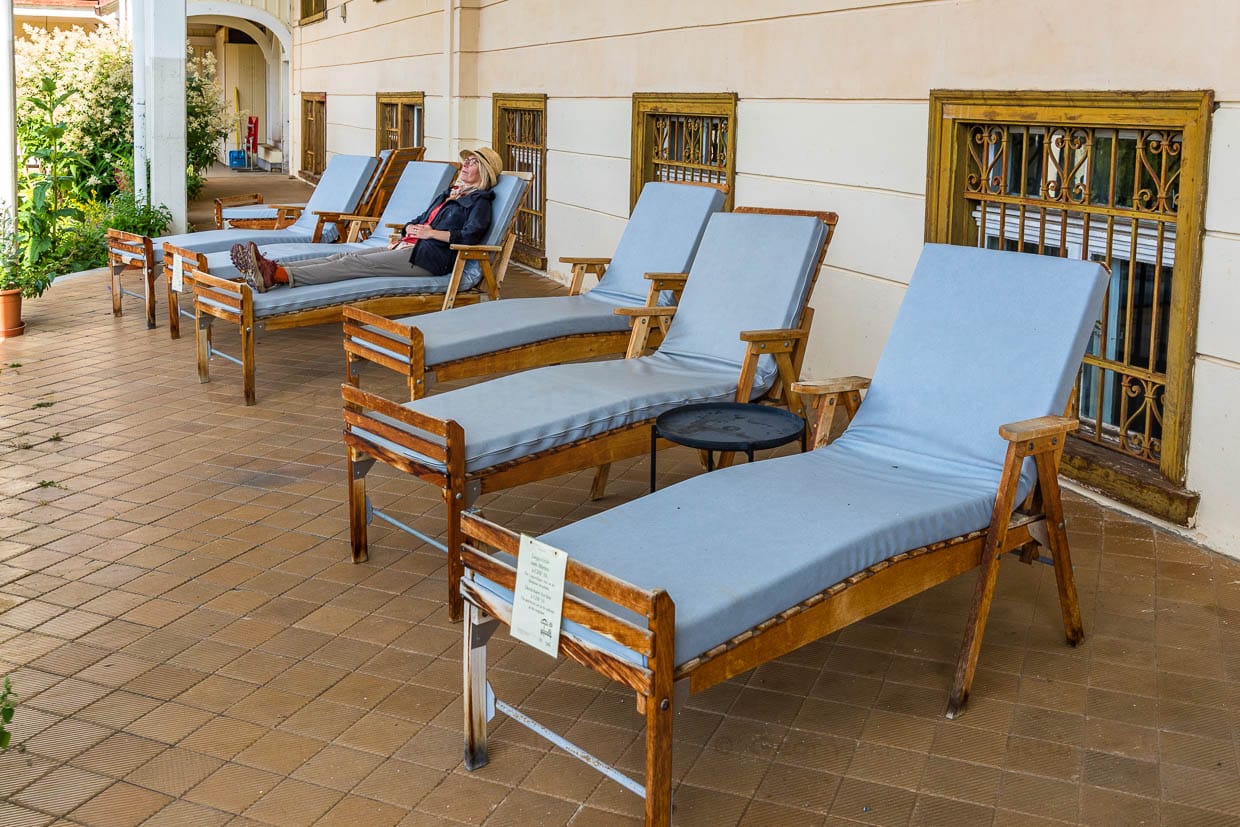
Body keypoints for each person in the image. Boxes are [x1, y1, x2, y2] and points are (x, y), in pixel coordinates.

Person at [230, 147, 502, 292]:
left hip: (430, 260)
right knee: (339, 256)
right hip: (410, 248)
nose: (465, 165)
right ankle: (268, 267)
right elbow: (416, 220)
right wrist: (407, 234)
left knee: (354, 262)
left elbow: (469, 237)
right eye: (466, 161)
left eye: (473, 162)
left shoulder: (480, 202)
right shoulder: (449, 194)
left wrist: (429, 234)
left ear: (485, 171)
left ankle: (277, 276)